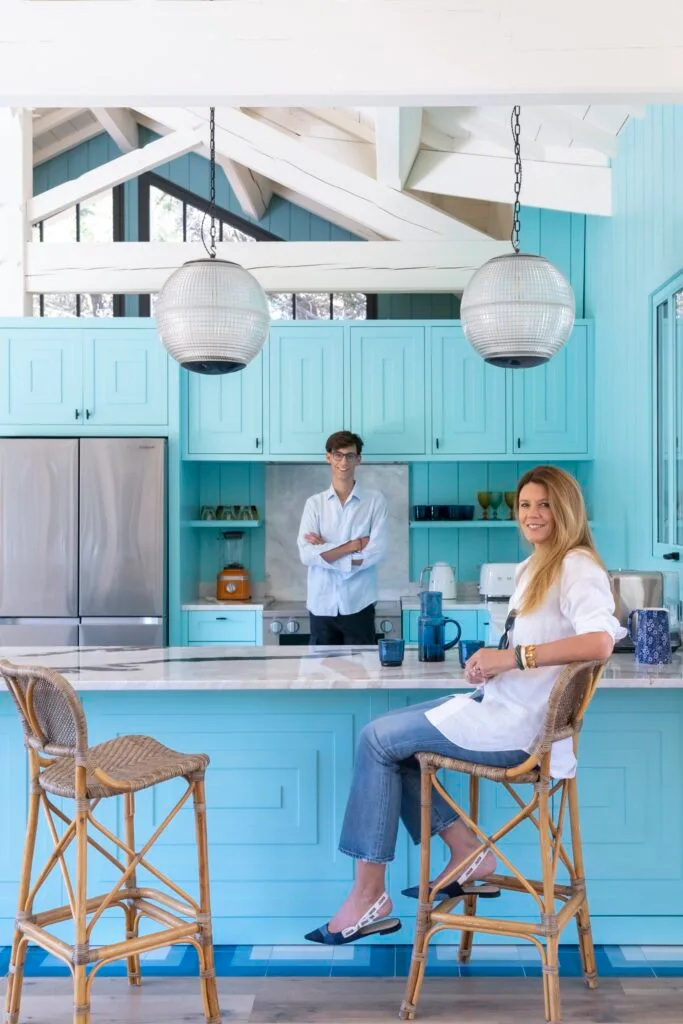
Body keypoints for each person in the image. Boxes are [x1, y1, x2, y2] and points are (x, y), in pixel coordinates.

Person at [305, 465, 626, 945]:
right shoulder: (534, 567)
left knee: (376, 739)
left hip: (522, 731)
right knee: (393, 742)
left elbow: (600, 642)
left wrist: (514, 656)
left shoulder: (576, 564)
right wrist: (492, 664)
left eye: (544, 505)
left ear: (568, 510)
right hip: (499, 707)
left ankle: (370, 894)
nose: (533, 514)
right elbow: (528, 650)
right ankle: (467, 851)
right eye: (525, 505)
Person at [297, 430, 388, 646]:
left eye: (349, 455)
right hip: (321, 605)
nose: (343, 461)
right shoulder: (314, 504)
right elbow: (306, 555)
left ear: (359, 459)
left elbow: (376, 552)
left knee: (362, 675)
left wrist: (327, 551)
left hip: (359, 603)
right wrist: (352, 546)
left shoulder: (375, 501)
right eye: (338, 455)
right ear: (328, 457)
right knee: (321, 676)